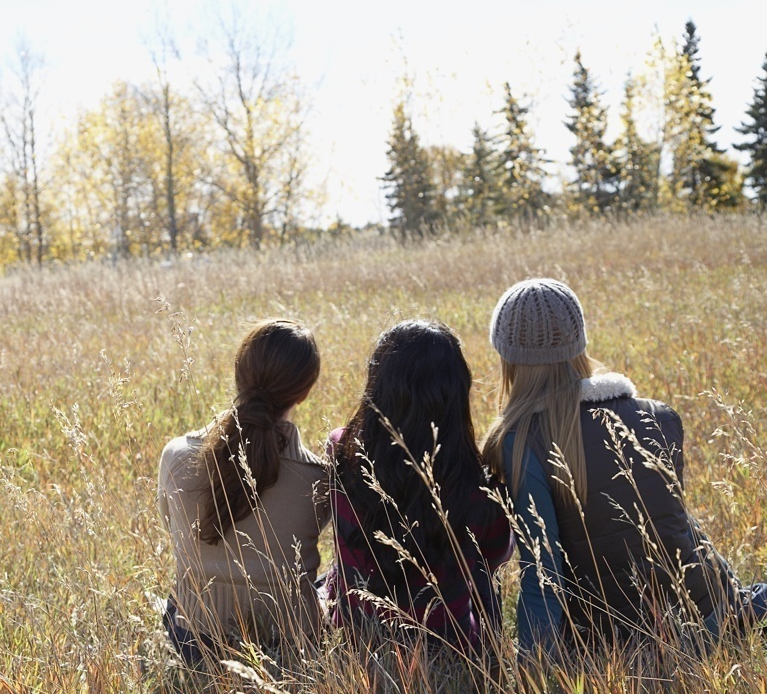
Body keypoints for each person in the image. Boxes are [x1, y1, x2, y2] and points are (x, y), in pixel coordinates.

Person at [481, 278, 767, 653]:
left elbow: (543, 573)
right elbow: (678, 526)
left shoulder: (521, 444)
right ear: (578, 343)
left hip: (617, 644)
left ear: (508, 358)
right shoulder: (658, 417)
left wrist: (533, 668)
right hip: (712, 616)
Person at [321, 320, 513, 655]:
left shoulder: (342, 449)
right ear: (456, 395)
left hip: (355, 635)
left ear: (377, 387)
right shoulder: (477, 485)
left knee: (329, 576)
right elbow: (495, 556)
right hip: (447, 643)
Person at [158, 318, 330, 664]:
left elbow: (171, 527)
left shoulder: (177, 456)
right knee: (333, 581)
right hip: (291, 644)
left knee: (172, 602)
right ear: (305, 392)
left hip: (196, 638)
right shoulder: (319, 479)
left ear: (238, 373)